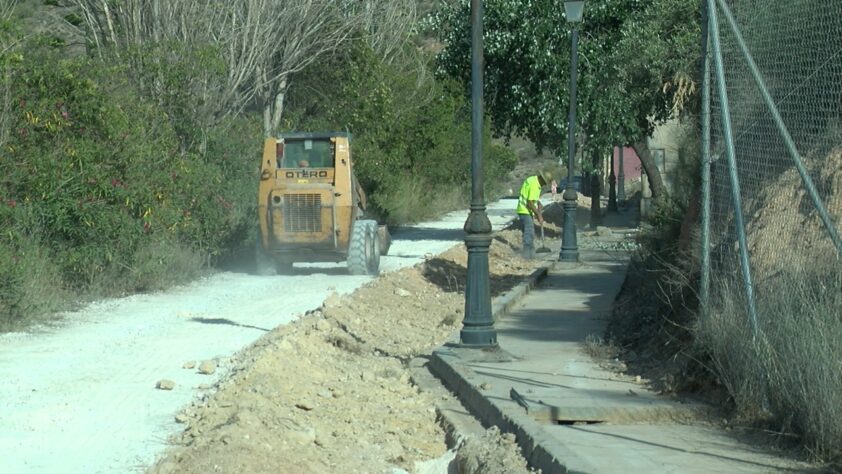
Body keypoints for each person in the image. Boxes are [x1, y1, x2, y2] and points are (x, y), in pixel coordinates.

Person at [516, 170, 552, 258]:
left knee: (529, 231)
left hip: (525, 210)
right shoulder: (534, 185)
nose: (544, 185)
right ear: (541, 179)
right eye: (544, 183)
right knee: (529, 231)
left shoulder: (533, 180)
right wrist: (538, 215)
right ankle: (527, 254)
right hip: (525, 210)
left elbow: (531, 198)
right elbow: (529, 202)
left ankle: (531, 252)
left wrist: (538, 203)